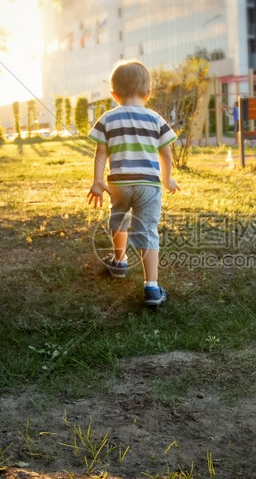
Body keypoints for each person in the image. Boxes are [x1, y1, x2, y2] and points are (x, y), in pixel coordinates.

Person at [87, 60, 180, 307]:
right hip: (148, 185)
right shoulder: (155, 119)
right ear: (148, 93)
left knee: (120, 220)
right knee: (148, 231)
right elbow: (166, 154)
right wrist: (167, 178)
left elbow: (101, 153)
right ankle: (152, 287)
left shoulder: (108, 119)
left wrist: (97, 181)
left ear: (114, 95)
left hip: (119, 184)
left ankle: (119, 262)